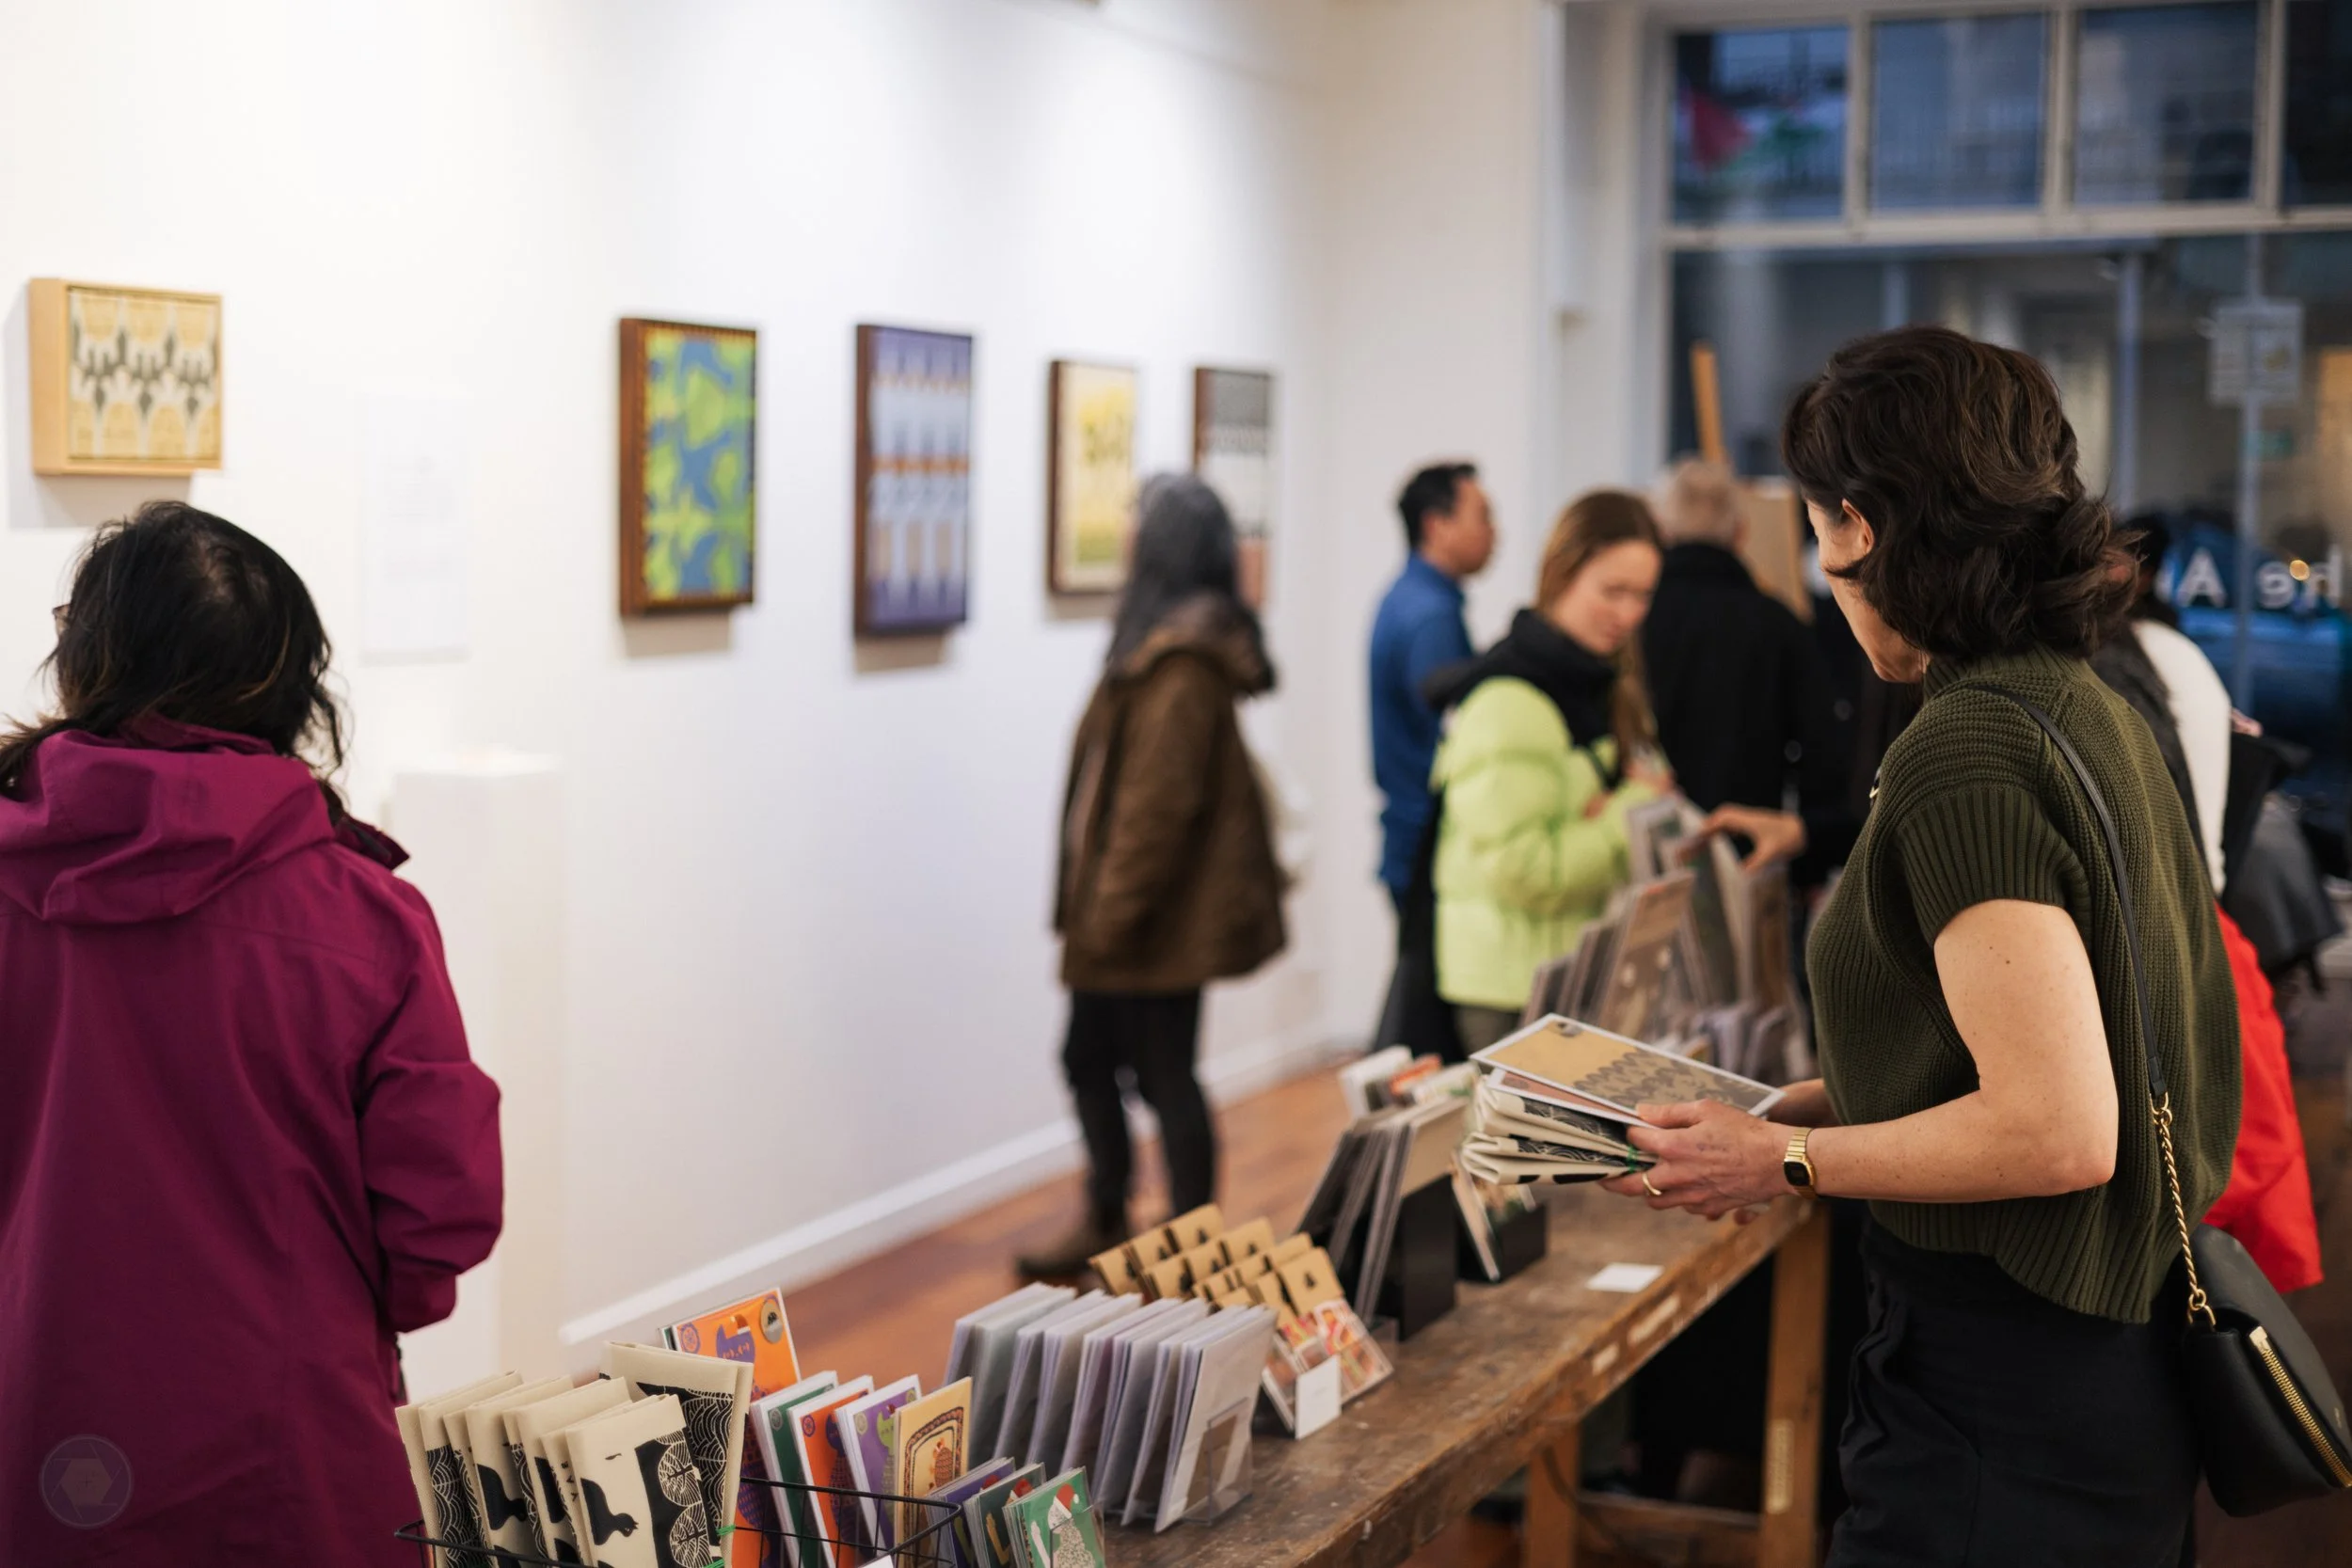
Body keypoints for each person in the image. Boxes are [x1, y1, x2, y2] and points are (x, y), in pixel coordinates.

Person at [1605, 326, 2240, 1563]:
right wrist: (1781, 1113)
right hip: (2107, 1358)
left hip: (2008, 1382)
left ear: (1863, 528)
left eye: (1819, 528)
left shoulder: (1967, 745)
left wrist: (1782, 1158)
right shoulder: (2085, 704)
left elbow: (2057, 1127)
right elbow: (2035, 1054)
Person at [0, 502, 503, 1567]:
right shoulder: (363, 915)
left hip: (41, 1415)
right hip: (285, 1426)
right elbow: (441, 1212)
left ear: (86, 661)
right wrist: (358, 1308)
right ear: (289, 688)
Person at [1020, 475, 1287, 1275]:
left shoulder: (1179, 665)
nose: (1126, 534)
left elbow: (1153, 811)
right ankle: (1119, 1214)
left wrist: (1107, 918)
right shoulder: (1164, 648)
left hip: (1152, 919)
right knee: (1104, 1059)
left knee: (1161, 1071)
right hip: (1139, 914)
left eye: (1137, 521)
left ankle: (1188, 1243)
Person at [1424, 489, 1669, 1055]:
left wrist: (1606, 812)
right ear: (1561, 573)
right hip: (1511, 990)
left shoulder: (1600, 683)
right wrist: (1631, 806)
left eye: (1643, 595)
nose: (1630, 614)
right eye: (1613, 591)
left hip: (1563, 975)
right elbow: (1529, 870)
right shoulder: (1507, 700)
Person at [1641, 458, 1853, 879]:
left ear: (1661, 533)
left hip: (1642, 857)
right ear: (1741, 532)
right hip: (1752, 860)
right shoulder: (1779, 624)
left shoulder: (1632, 620)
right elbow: (1823, 755)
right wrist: (1809, 857)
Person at [1370, 461, 1495, 910]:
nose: (1494, 533)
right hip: (1427, 844)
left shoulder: (1412, 598)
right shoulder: (1430, 616)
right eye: (1482, 516)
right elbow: (1456, 730)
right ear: (1437, 526)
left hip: (1412, 836)